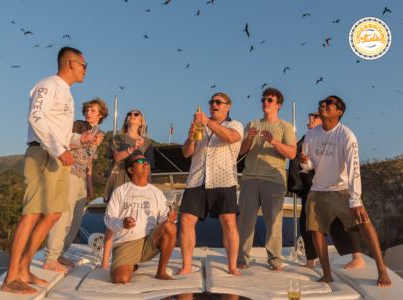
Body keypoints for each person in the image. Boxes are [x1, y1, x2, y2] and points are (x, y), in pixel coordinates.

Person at [1, 47, 104, 295]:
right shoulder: (48, 84)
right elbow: (36, 118)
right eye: (83, 64)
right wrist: (60, 150)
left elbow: (64, 134)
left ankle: (25, 268)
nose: (85, 69)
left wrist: (82, 141)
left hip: (58, 157)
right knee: (33, 213)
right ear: (70, 63)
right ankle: (11, 276)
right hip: (43, 154)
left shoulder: (67, 94)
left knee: (54, 214)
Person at [299, 96, 391, 287]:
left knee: (364, 222)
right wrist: (303, 161)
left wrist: (355, 199)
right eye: (321, 102)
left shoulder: (346, 135)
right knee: (316, 230)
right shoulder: (311, 135)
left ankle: (382, 269)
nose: (323, 104)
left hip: (342, 189)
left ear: (339, 112)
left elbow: (354, 169)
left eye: (329, 103)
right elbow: (310, 166)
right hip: (318, 190)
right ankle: (327, 274)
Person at [178, 93, 244, 276]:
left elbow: (231, 138)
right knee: (185, 221)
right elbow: (186, 153)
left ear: (227, 106)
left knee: (229, 223)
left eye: (218, 102)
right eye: (211, 102)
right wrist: (191, 138)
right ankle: (186, 266)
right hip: (197, 179)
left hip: (223, 179)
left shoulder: (234, 124)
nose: (213, 104)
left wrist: (208, 122)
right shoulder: (200, 126)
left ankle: (232, 267)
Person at [289, 112, 365, 269]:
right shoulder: (308, 137)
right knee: (306, 223)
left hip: (330, 187)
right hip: (308, 187)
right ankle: (311, 260)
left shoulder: (331, 137)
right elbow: (304, 162)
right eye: (309, 117)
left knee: (341, 221)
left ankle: (357, 256)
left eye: (315, 117)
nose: (311, 120)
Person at [43, 98, 109, 273]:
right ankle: (52, 255)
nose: (88, 112)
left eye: (93, 110)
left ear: (101, 115)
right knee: (65, 213)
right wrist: (86, 141)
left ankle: (60, 253)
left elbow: (89, 160)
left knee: (76, 218)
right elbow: (64, 144)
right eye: (87, 109)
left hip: (81, 176)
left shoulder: (98, 132)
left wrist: (89, 184)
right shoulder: (78, 125)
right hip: (68, 171)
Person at [236, 87, 297, 271]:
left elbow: (292, 154)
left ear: (278, 105)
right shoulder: (252, 124)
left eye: (269, 100)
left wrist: (274, 141)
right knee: (245, 221)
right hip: (250, 178)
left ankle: (275, 260)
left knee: (274, 222)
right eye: (263, 99)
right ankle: (241, 258)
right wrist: (249, 138)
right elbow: (241, 151)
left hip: (274, 180)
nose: (265, 102)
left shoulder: (285, 127)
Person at [104, 154, 177, 283]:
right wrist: (122, 223)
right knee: (120, 279)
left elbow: (164, 219)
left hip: (150, 241)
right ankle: (130, 263)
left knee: (171, 226)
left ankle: (161, 272)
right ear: (130, 170)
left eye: (147, 161)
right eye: (140, 161)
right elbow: (108, 218)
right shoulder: (120, 191)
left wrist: (171, 217)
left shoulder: (157, 192)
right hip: (126, 243)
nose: (146, 163)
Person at [100, 110, 155, 269]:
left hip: (137, 183)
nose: (132, 115)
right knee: (113, 221)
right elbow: (116, 158)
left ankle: (132, 258)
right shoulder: (118, 137)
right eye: (129, 114)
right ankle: (104, 263)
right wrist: (131, 148)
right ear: (126, 120)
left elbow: (147, 167)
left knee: (136, 220)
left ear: (141, 122)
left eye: (136, 114)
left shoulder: (147, 142)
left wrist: (149, 188)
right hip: (119, 180)